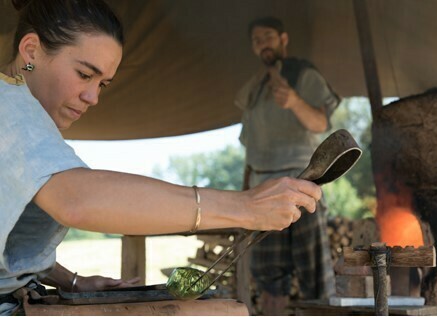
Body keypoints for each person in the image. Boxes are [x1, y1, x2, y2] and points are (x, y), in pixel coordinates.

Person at [0, 1, 323, 315]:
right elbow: (77, 199)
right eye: (85, 74)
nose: (93, 97)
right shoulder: (8, 105)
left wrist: (71, 280)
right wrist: (243, 207)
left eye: (102, 83)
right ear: (31, 51)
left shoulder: (23, 114)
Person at [235, 16, 339, 315]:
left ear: (283, 39)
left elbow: (321, 123)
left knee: (316, 279)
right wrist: (244, 198)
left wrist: (294, 101)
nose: (262, 44)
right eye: (256, 41)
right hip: (262, 190)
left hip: (302, 183)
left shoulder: (302, 74)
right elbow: (250, 152)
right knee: (270, 280)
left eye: (268, 36)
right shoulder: (254, 90)